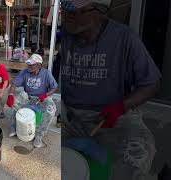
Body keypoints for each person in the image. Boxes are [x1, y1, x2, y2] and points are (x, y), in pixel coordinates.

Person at [60, 0, 161, 179]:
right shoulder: (64, 36)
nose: (67, 16)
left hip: (112, 118)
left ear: (100, 12)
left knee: (139, 152)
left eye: (75, 12)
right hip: (69, 116)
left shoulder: (124, 38)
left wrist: (122, 106)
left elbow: (152, 83)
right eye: (64, 9)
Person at [6, 54, 58, 148]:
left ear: (39, 65)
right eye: (29, 64)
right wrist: (10, 95)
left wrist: (45, 95)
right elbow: (14, 84)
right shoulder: (25, 72)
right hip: (27, 96)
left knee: (51, 109)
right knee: (15, 101)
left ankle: (39, 135)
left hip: (41, 98)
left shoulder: (46, 73)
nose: (29, 66)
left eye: (32, 65)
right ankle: (14, 128)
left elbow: (54, 87)